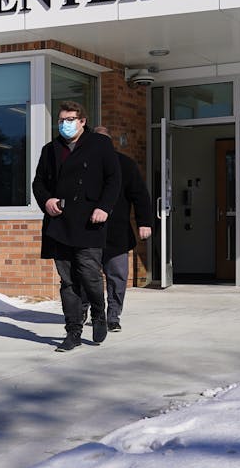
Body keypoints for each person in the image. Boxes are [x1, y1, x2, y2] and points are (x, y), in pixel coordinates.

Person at [32, 101, 122, 351]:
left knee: (89, 273)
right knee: (68, 281)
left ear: (82, 121)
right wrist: (47, 200)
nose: (65, 124)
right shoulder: (50, 149)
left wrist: (104, 207)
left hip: (89, 221)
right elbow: (38, 182)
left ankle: (98, 312)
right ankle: (72, 331)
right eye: (61, 120)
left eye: (70, 119)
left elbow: (113, 179)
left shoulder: (99, 144)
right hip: (59, 222)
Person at [91, 125, 155, 332]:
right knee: (86, 276)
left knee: (117, 276)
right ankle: (88, 312)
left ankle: (113, 316)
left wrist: (145, 222)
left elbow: (140, 195)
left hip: (117, 233)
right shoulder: (82, 164)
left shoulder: (125, 164)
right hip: (87, 233)